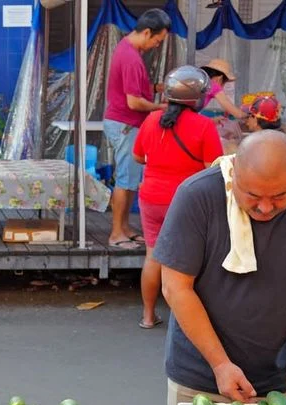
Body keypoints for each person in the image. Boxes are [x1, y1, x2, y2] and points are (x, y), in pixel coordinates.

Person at [154, 131, 286, 405]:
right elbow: (176, 288)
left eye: (280, 196)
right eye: (252, 195)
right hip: (200, 378)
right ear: (234, 172)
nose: (265, 207)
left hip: (281, 382)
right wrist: (220, 364)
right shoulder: (197, 195)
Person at [132, 66, 223, 330]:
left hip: (151, 198)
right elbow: (214, 167)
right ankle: (185, 320)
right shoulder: (204, 126)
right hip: (186, 200)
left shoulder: (152, 120)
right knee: (188, 260)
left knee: (153, 256)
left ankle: (148, 316)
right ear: (198, 97)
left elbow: (138, 156)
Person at [102, 8, 170, 249]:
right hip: (125, 124)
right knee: (125, 179)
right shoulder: (131, 57)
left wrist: (157, 87)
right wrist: (160, 107)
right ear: (147, 32)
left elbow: (134, 88)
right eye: (157, 41)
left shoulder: (127, 49)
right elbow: (133, 102)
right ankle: (116, 234)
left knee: (130, 178)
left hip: (126, 124)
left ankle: (125, 227)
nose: (156, 46)